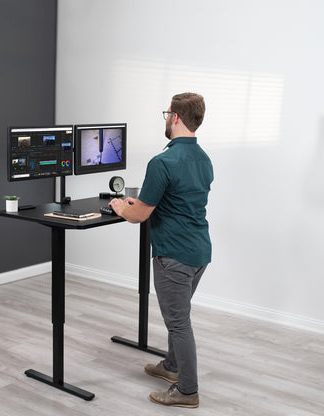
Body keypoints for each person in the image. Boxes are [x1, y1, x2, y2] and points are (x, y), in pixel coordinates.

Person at [109, 92, 213, 408]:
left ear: (176, 117)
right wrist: (138, 204)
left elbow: (139, 215)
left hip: (174, 256)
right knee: (179, 315)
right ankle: (171, 367)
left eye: (167, 113)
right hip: (199, 253)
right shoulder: (204, 159)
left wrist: (119, 207)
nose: (166, 118)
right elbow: (176, 200)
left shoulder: (162, 161)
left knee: (179, 323)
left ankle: (187, 391)